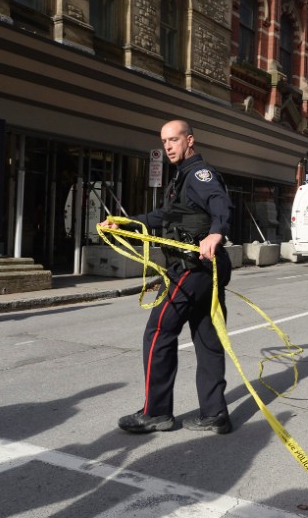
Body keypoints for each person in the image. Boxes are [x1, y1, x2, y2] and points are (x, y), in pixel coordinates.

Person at [100, 119, 235, 435]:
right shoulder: (182, 179)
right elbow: (162, 217)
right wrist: (126, 224)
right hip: (204, 270)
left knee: (158, 332)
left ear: (190, 140)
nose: (169, 146)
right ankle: (215, 414)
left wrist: (216, 233)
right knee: (208, 340)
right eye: (164, 141)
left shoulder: (200, 176)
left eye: (174, 139)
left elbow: (220, 203)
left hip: (194, 268)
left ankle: (157, 412)